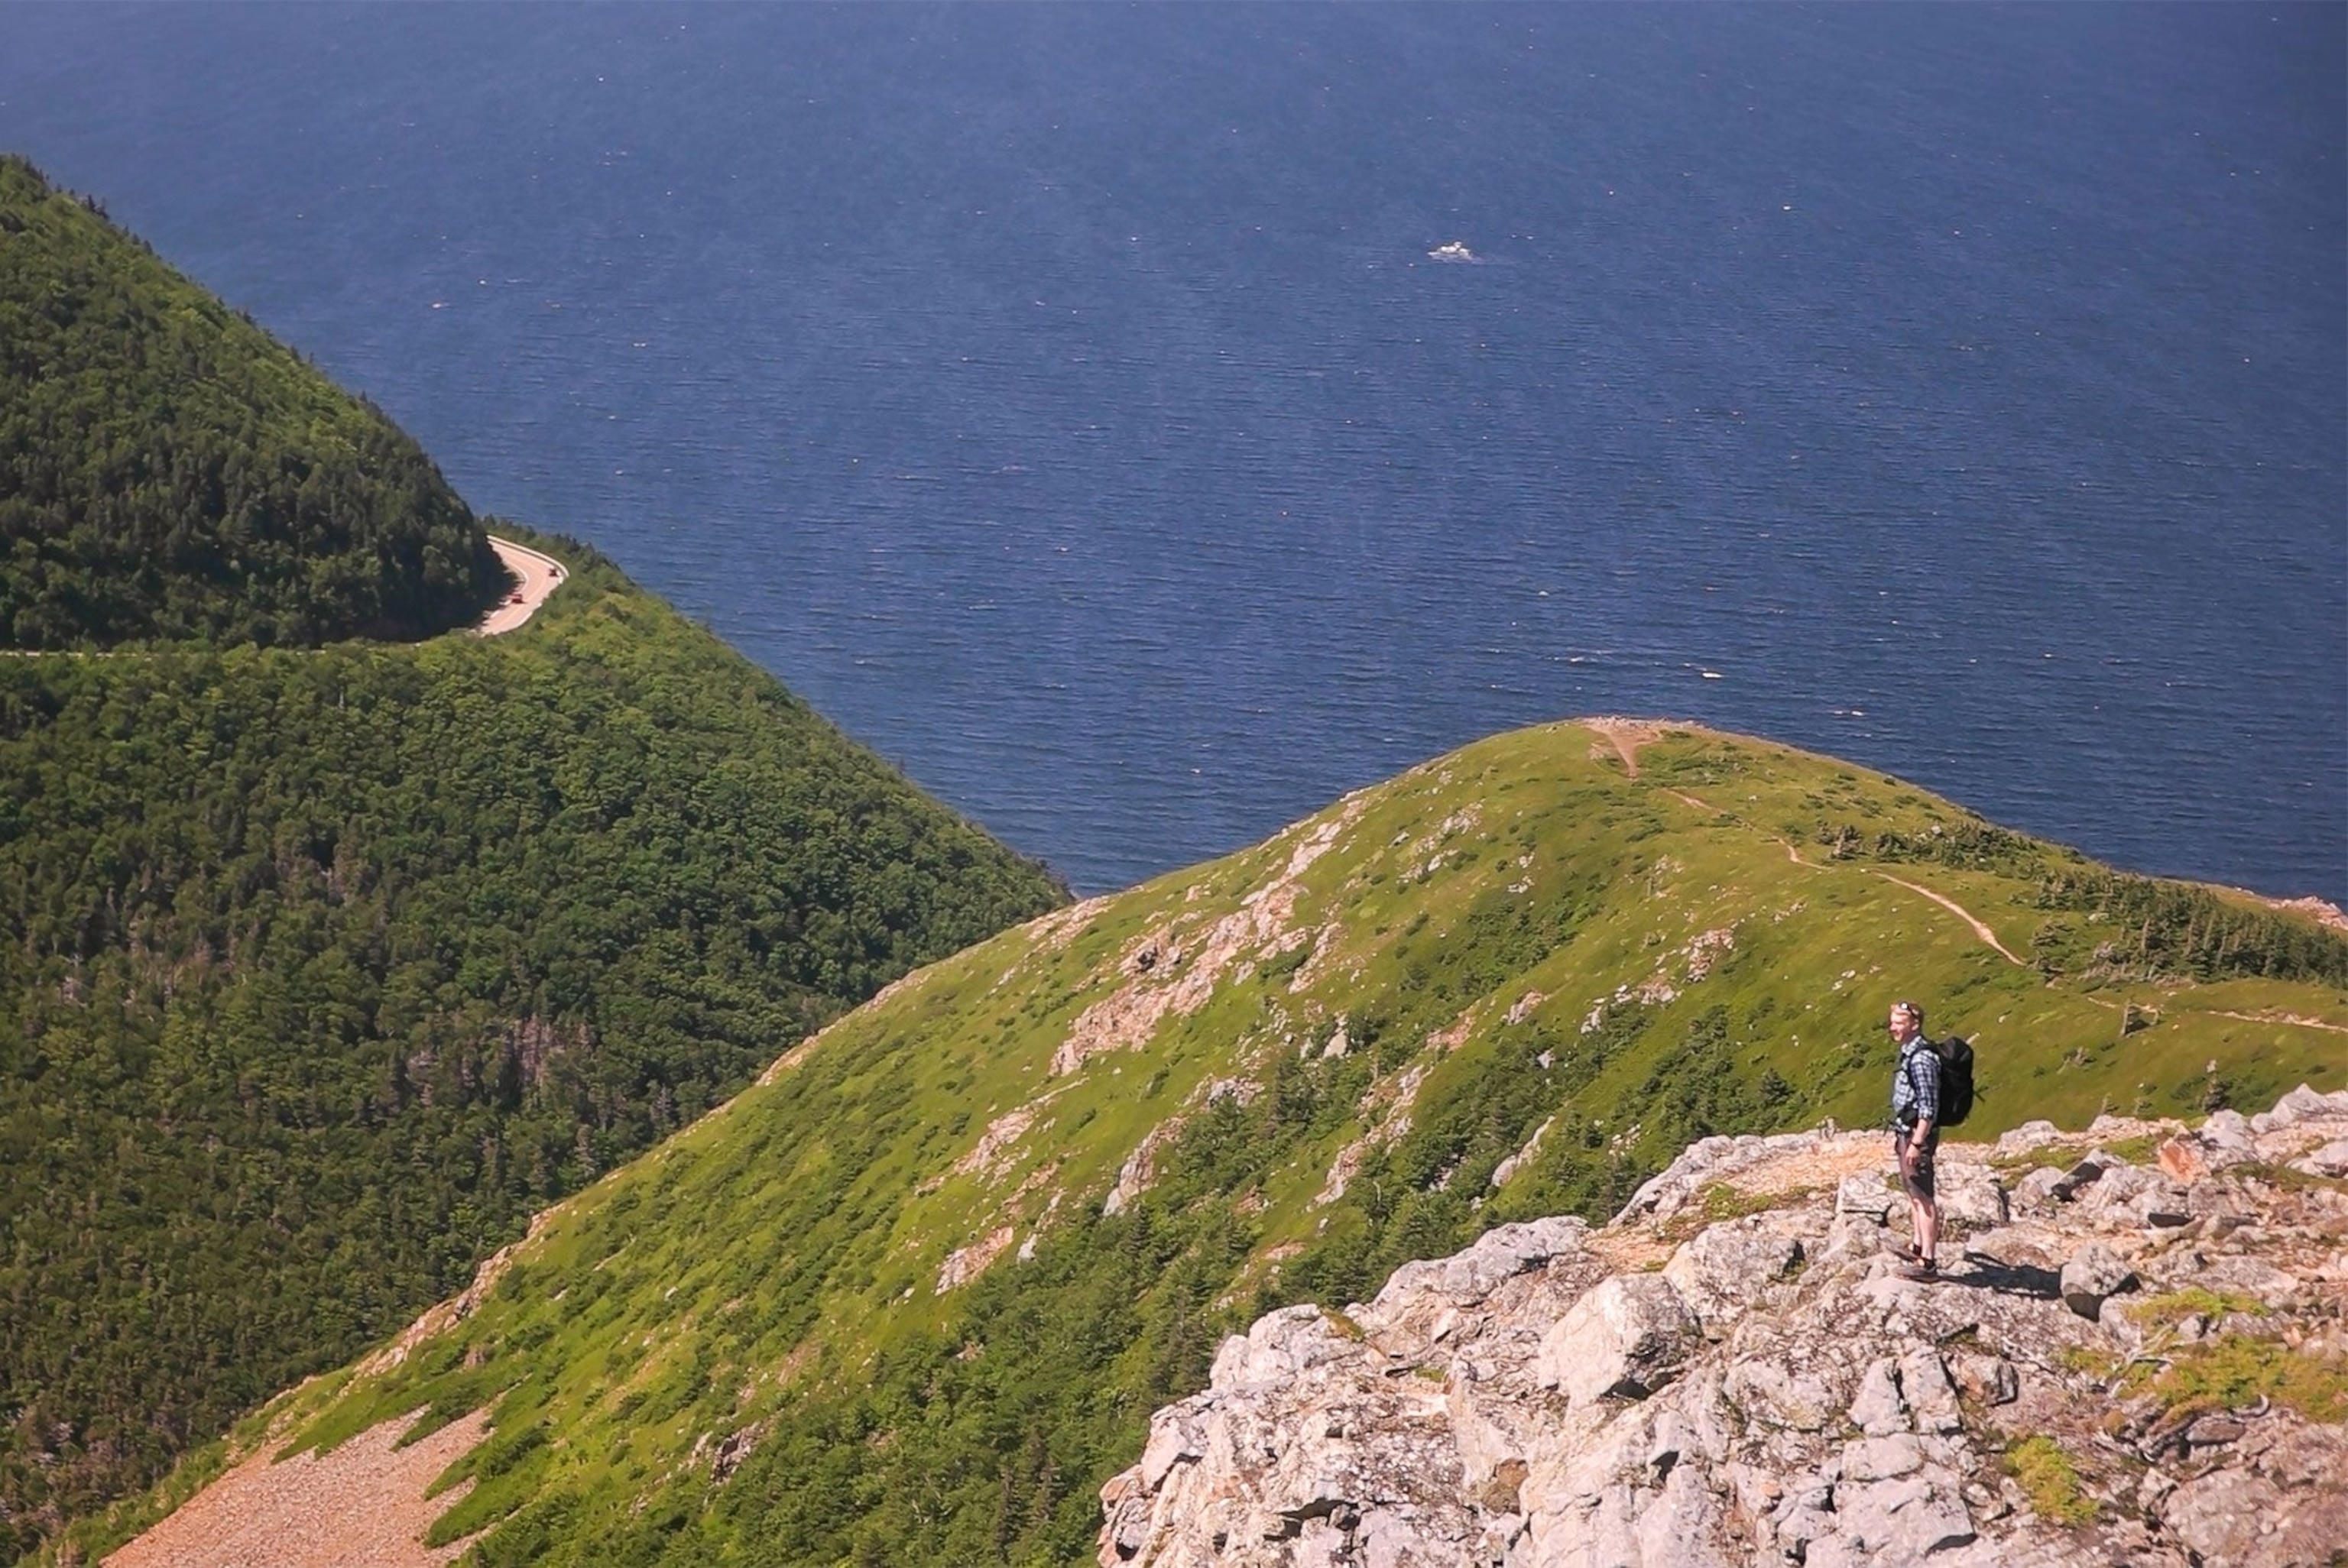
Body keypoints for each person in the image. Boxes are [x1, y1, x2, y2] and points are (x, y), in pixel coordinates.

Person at [1887, 999, 1941, 1281]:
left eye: (1899, 1023)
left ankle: (1928, 1264)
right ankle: (1917, 1247)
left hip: (1915, 1136)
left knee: (1923, 1196)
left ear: (1915, 1025)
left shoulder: (1921, 1058)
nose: (1893, 1028)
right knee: (1913, 1194)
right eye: (1893, 1022)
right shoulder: (1909, 1053)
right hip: (1904, 1133)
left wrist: (1918, 1143)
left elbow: (1928, 1107)